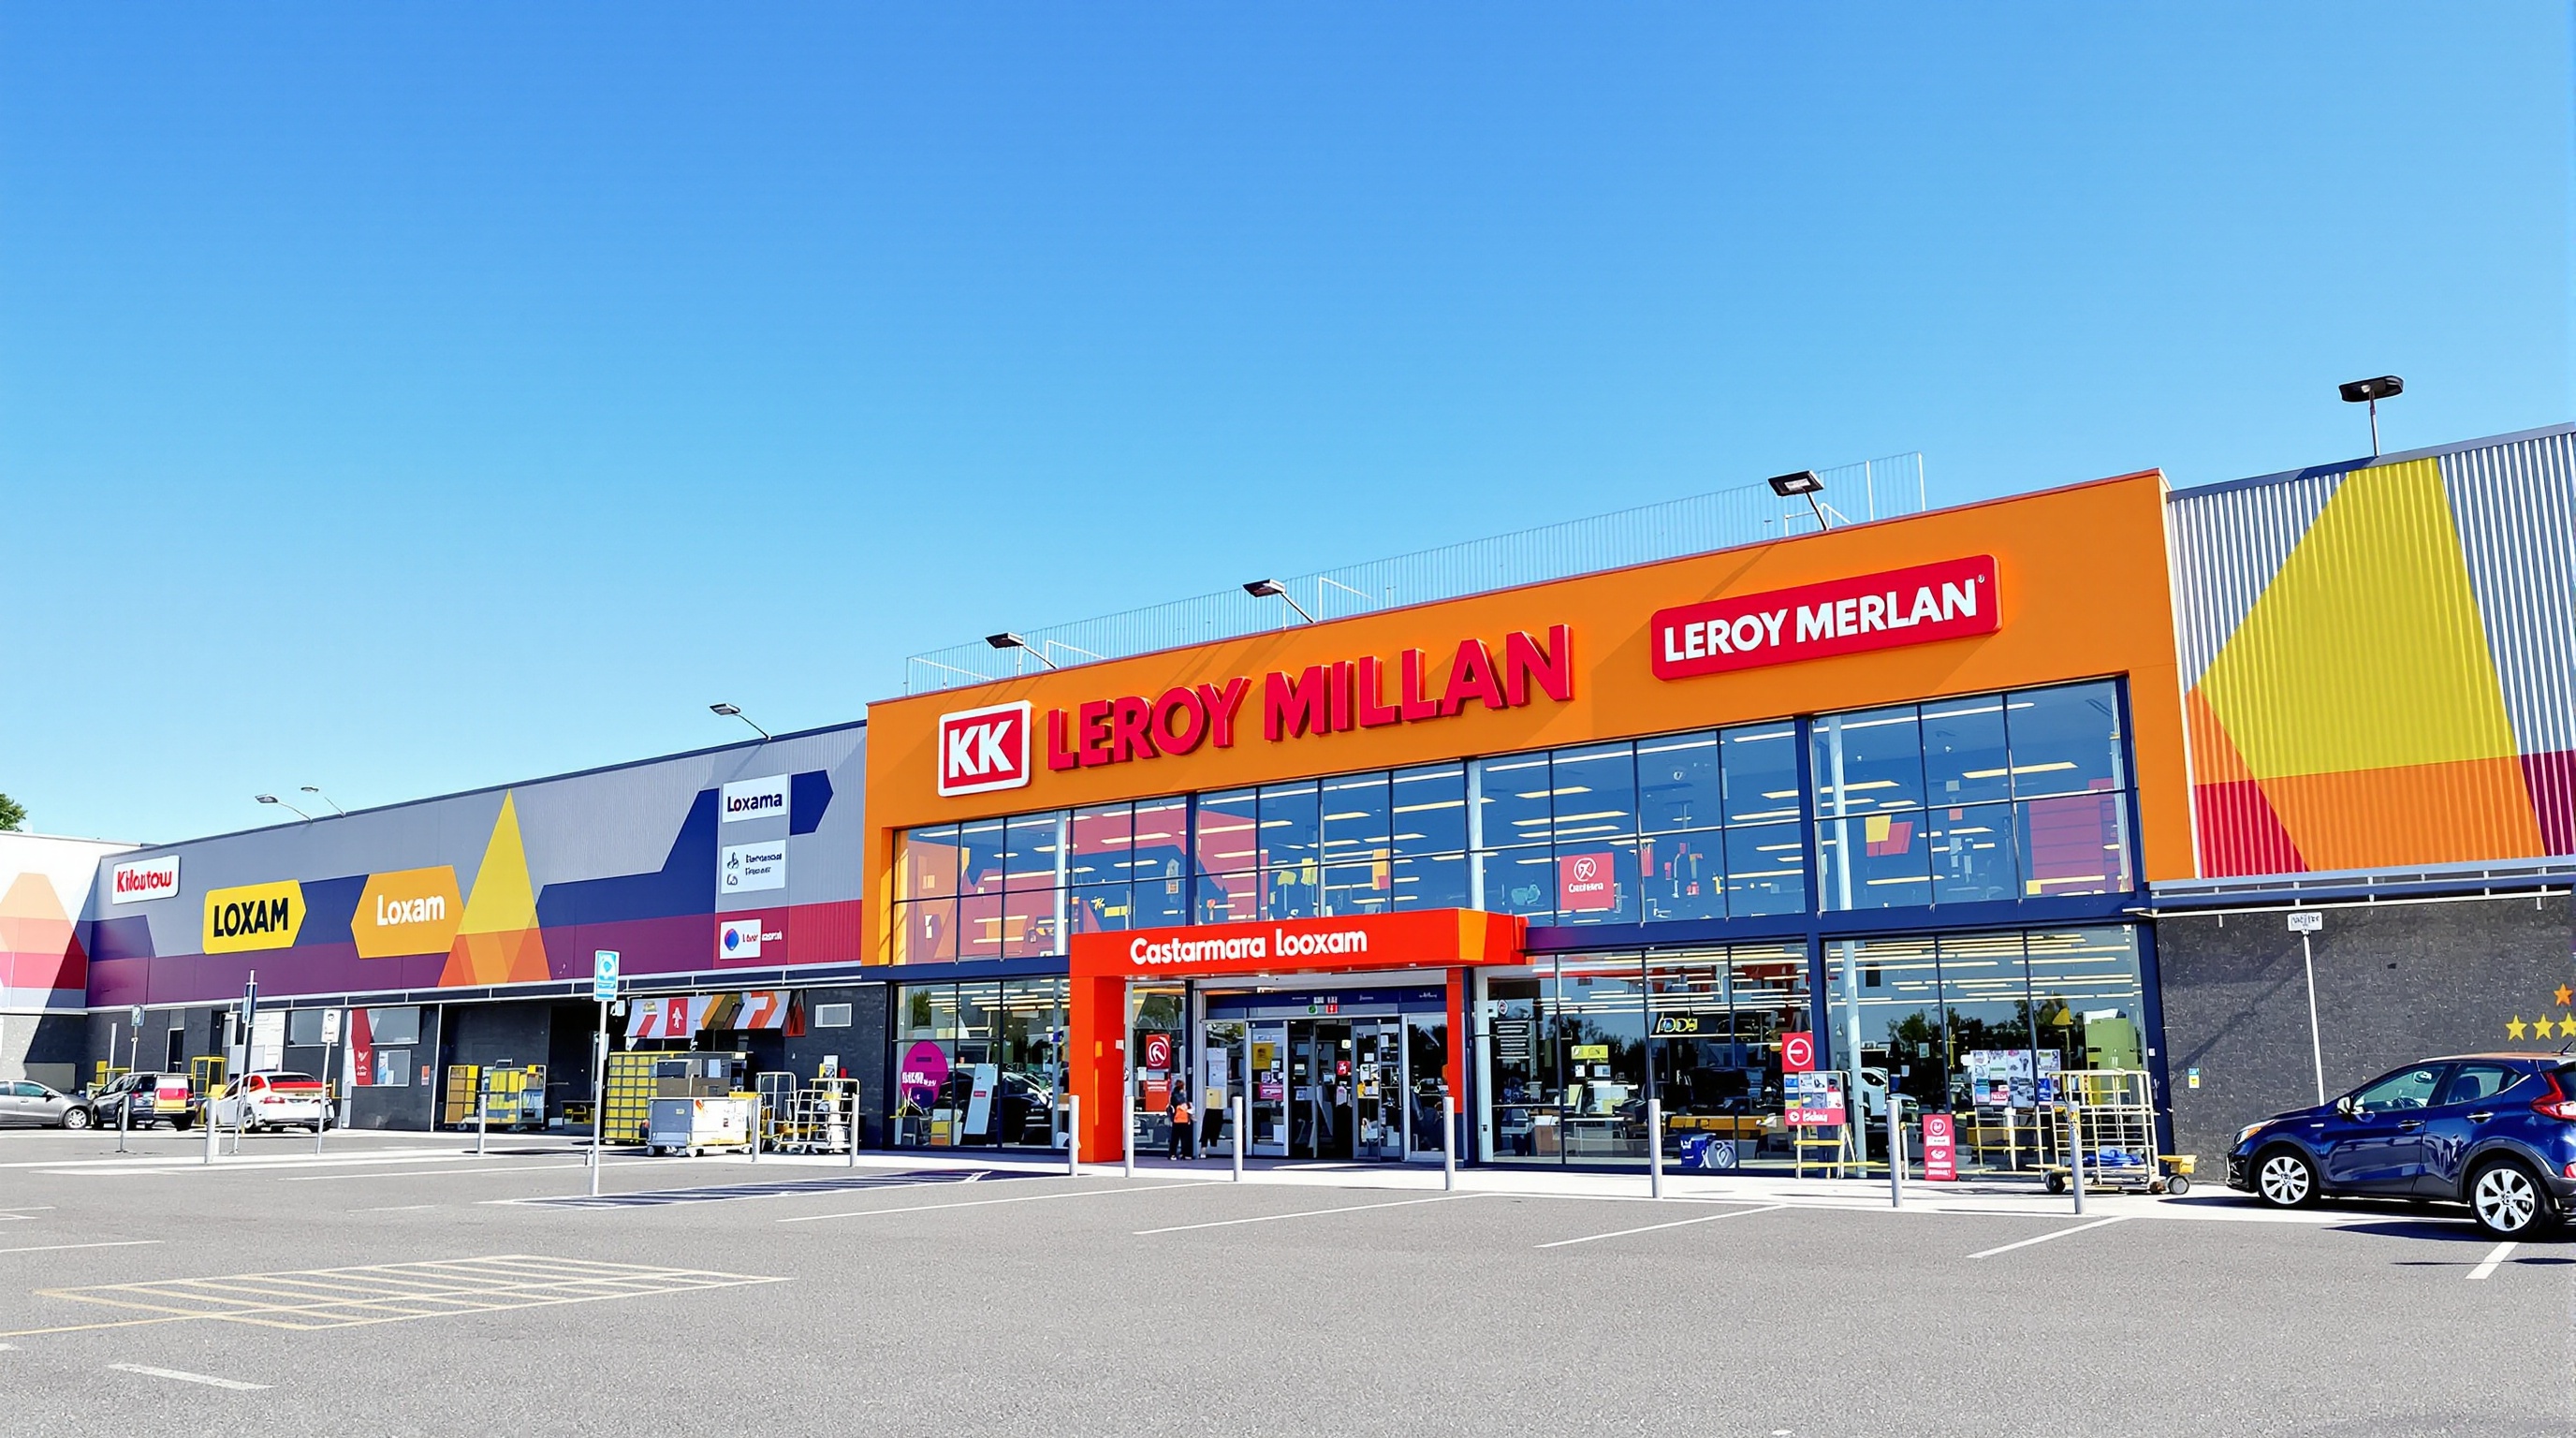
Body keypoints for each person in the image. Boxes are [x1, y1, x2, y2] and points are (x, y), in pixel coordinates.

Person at [1166, 1077, 1195, 1160]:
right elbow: (1186, 1107)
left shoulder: (1174, 1095)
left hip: (1177, 1120)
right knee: (1184, 1138)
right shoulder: (1182, 1097)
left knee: (1175, 1139)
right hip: (1183, 1119)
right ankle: (1185, 1154)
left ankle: (1172, 1154)